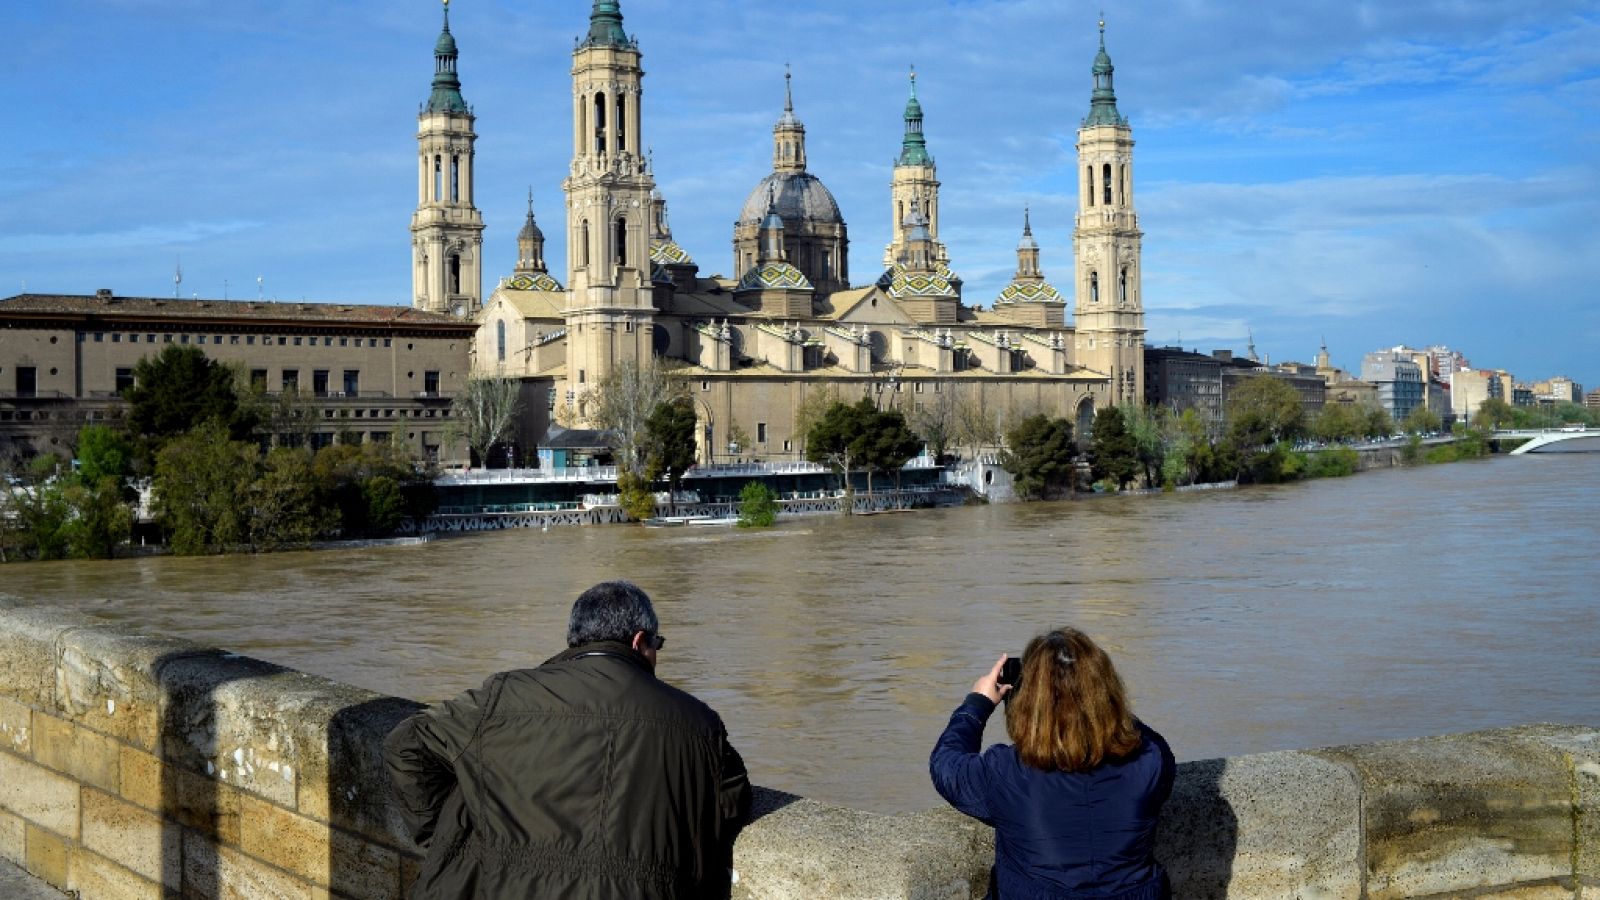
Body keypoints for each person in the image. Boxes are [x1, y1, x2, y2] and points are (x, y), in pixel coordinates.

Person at [384, 580, 752, 899]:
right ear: (640, 642)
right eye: (658, 644)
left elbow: (405, 746)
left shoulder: (501, 696)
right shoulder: (699, 722)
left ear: (575, 640)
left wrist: (447, 837)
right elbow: (731, 804)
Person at [930, 628, 1175, 900]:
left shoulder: (1006, 773)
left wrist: (977, 704)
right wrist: (1096, 699)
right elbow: (1131, 732)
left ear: (1029, 701)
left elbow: (945, 765)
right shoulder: (1151, 759)